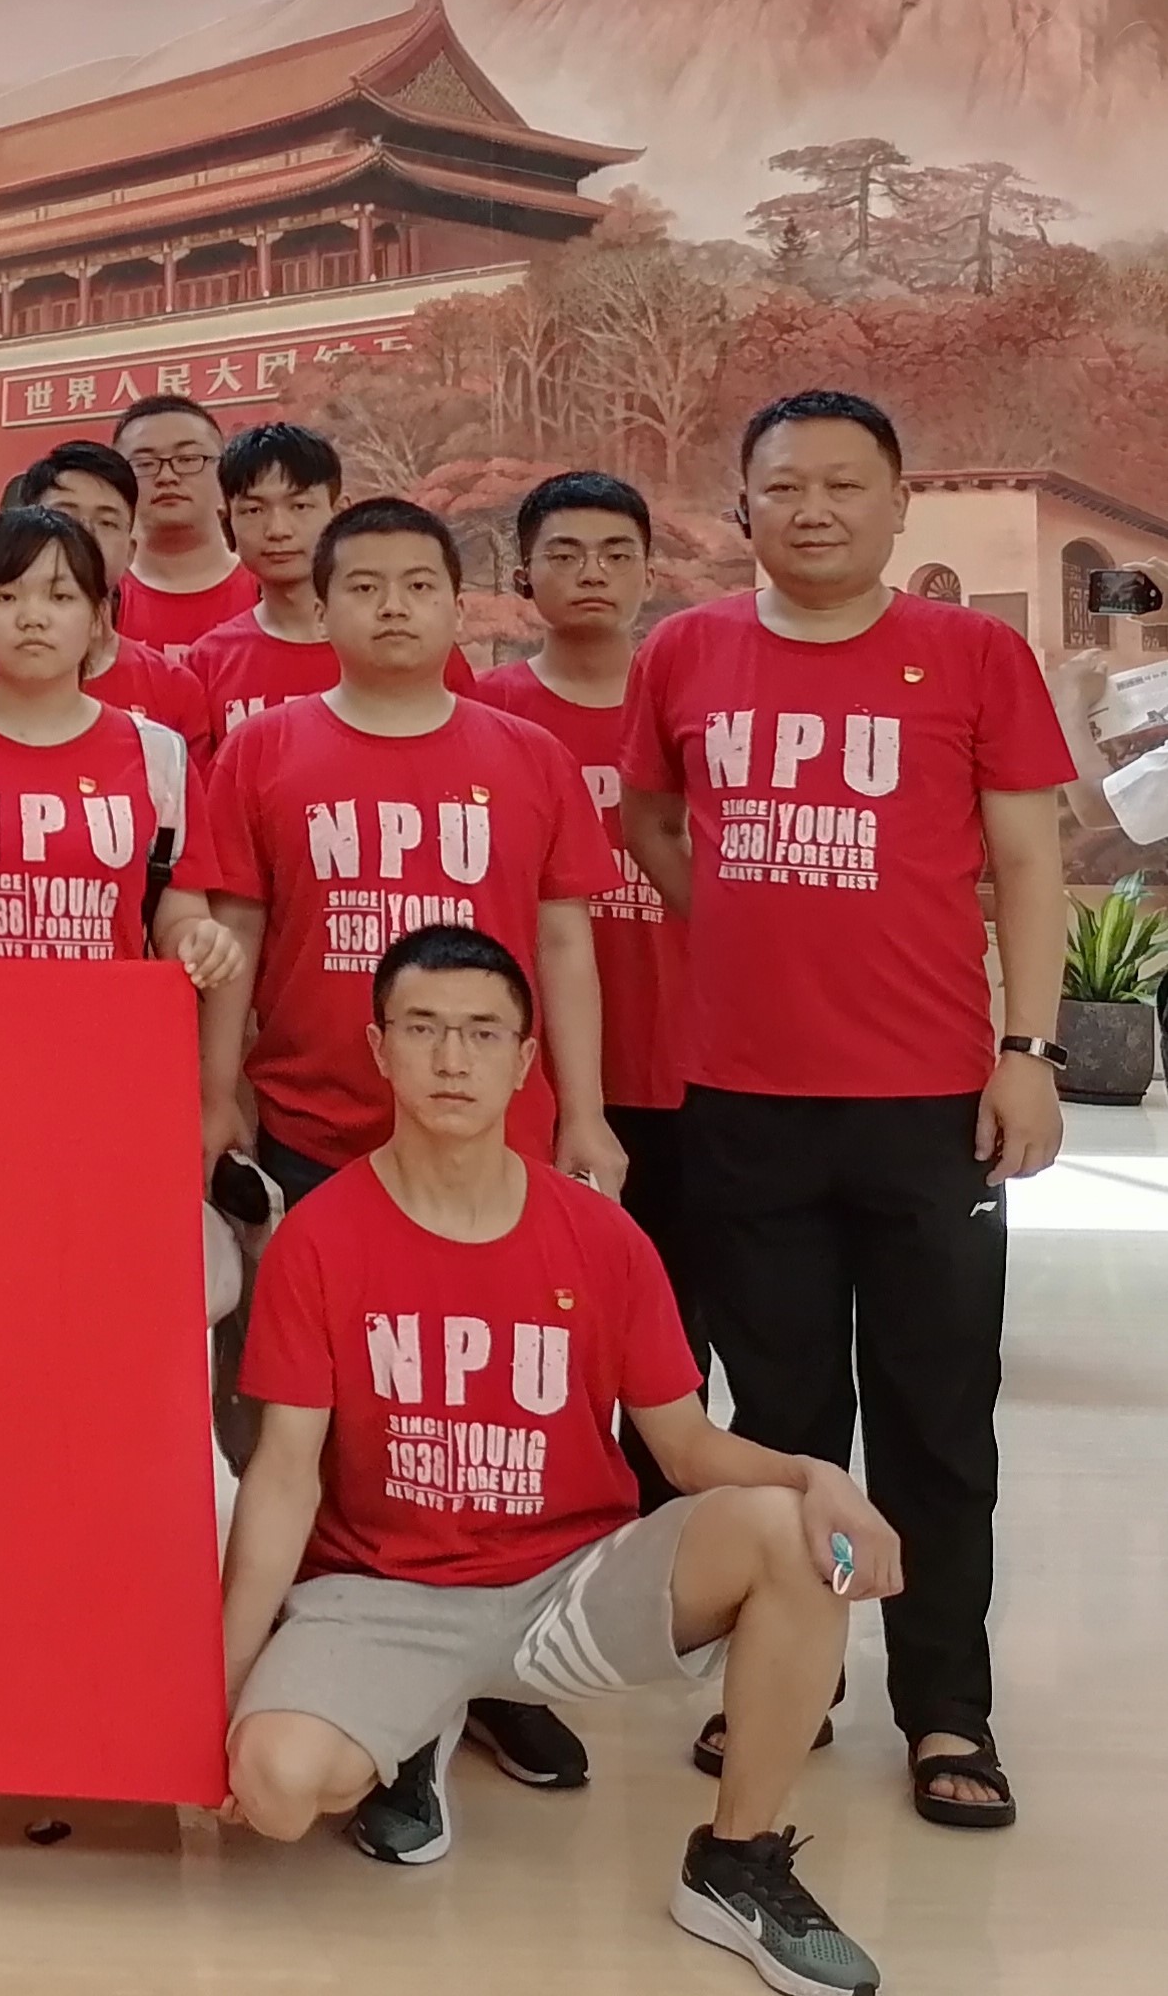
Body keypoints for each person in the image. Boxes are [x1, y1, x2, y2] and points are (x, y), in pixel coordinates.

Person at [224, 925, 899, 1996]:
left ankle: (735, 1861)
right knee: (274, 1790)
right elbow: (282, 1476)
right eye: (423, 1029)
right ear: (379, 1048)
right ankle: (412, 1728)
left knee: (797, 1537)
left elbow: (685, 1448)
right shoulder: (319, 1236)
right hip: (383, 1592)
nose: (452, 1059)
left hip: (567, 1588)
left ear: (524, 1059)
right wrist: (216, 1684)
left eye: (482, 1033)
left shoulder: (600, 1237)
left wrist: (818, 1480)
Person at [621, 390, 1072, 1829]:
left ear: (894, 503)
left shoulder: (972, 655)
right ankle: (793, 1680)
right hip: (743, 1099)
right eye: (782, 486)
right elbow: (650, 819)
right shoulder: (684, 651)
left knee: (936, 1419)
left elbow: (1027, 863)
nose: (811, 509)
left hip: (931, 1102)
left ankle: (946, 1706)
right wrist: (728, 922)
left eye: (841, 484)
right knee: (784, 1419)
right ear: (742, 506)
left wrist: (1027, 1049)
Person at [194, 499, 622, 1200]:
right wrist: (215, 1095)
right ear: (321, 612)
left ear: (458, 610)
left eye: (419, 586)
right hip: (311, 1128)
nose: (393, 606)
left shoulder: (535, 757)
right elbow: (236, 930)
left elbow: (564, 942)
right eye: (364, 587)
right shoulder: (259, 750)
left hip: (496, 1128)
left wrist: (585, 1114)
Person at [477, 471, 702, 1501]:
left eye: (616, 554)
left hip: (687, 1066)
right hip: (535, 1090)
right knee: (541, 1332)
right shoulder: (487, 713)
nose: (590, 573)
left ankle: (664, 1543)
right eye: (562, 554)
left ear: (649, 573)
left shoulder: (692, 709)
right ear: (522, 575)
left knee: (677, 1333)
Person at [0, 504, 236, 986]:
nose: (33, 618)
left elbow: (177, 915)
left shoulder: (158, 756)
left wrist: (201, 941)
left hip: (101, 1027)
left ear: (98, 618)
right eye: (5, 596)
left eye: (60, 596)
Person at [187, 423, 481, 737]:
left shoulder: (412, 646)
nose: (278, 530)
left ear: (339, 512)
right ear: (226, 523)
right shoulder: (209, 662)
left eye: (300, 506)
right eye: (254, 510)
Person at [2, 443, 220, 761]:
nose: (85, 535)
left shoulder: (173, 687)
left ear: (130, 552)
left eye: (107, 522)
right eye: (64, 516)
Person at [113, 395, 254, 650]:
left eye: (188, 459)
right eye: (144, 464)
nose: (167, 477)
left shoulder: (269, 591)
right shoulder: (100, 602)